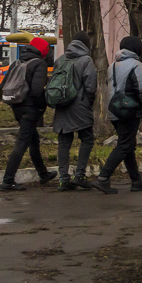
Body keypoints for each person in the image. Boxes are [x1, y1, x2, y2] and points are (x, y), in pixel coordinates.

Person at [87, 36, 142, 194]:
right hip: (129, 111)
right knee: (124, 145)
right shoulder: (137, 65)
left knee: (127, 144)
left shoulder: (113, 65)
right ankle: (103, 178)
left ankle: (136, 180)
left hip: (114, 110)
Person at [0, 38, 55, 191]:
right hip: (30, 110)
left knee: (33, 140)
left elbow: (2, 87)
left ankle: (43, 174)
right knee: (22, 142)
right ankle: (8, 180)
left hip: (16, 107)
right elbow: (37, 91)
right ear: (42, 51)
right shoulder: (39, 64)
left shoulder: (17, 62)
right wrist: (42, 106)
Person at [52, 31, 97, 191]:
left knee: (64, 143)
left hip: (62, 105)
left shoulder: (60, 60)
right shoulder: (86, 60)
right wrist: (88, 101)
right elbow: (91, 86)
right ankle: (80, 175)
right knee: (87, 139)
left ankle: (64, 180)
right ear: (86, 44)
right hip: (80, 106)